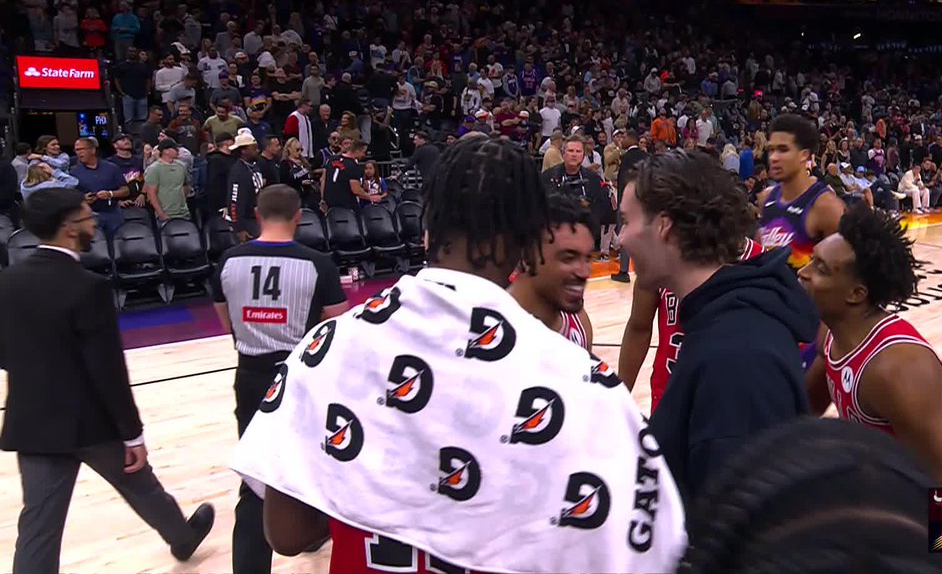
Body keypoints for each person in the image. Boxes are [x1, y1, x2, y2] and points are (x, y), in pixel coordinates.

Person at [231, 137, 686, 574]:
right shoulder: (583, 381)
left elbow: (287, 534)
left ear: (427, 226)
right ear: (527, 240)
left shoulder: (326, 347)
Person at [0, 188, 215, 573]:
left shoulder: (8, 281)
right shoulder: (88, 286)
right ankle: (182, 538)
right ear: (69, 228)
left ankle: (183, 536)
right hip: (91, 420)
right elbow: (108, 369)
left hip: (33, 419)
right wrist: (132, 434)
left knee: (38, 525)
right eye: (87, 217)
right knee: (141, 487)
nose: (94, 222)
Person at [620, 150, 817, 500]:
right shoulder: (718, 315)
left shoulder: (738, 359)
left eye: (626, 221)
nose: (620, 238)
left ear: (663, 226)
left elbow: (740, 514)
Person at [212, 185, 348, 574]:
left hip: (250, 376)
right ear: (298, 217)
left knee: (256, 478)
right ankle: (309, 530)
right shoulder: (317, 263)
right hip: (300, 377)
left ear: (257, 215)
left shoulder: (228, 261)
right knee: (314, 464)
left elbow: (226, 323)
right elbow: (339, 325)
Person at [799, 205, 942, 488]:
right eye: (811, 260)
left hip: (912, 507)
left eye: (821, 269)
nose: (803, 273)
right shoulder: (829, 333)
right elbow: (805, 413)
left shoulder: (898, 370)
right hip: (874, 490)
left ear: (856, 294)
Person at [678, 418, 942, 574]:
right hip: (840, 495)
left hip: (889, 515)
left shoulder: (898, 368)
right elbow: (799, 418)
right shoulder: (830, 345)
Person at [618, 237, 763, 413]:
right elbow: (639, 328)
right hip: (669, 397)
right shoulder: (659, 257)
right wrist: (619, 397)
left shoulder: (760, 262)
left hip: (733, 402)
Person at [508, 192, 595, 350]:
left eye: (588, 258)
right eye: (569, 258)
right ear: (527, 256)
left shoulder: (579, 323)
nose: (584, 272)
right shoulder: (488, 328)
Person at [757, 114, 844, 272]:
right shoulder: (765, 198)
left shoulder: (826, 207)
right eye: (771, 150)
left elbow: (842, 273)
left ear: (804, 154)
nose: (773, 158)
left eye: (783, 150)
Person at [71, 137, 130, 236]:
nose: (78, 153)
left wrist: (110, 194)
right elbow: (70, 196)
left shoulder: (111, 168)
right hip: (89, 215)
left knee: (118, 240)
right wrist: (83, 198)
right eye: (76, 150)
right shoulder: (73, 172)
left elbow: (125, 190)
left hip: (113, 213)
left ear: (93, 150)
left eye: (81, 149)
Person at [610, 130, 648, 283]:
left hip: (628, 204)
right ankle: (647, 269)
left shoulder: (627, 157)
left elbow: (626, 182)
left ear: (631, 139)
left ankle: (624, 271)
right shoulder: (645, 156)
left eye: (624, 137)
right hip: (643, 203)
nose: (622, 139)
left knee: (625, 236)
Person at [228, 128, 266, 241]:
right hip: (247, 221)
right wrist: (239, 228)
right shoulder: (238, 171)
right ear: (243, 150)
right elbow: (234, 201)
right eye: (253, 148)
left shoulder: (254, 165)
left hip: (259, 216)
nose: (257, 150)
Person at [321, 140, 381, 211]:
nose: (364, 155)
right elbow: (355, 190)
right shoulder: (353, 166)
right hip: (346, 206)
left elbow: (323, 180)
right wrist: (370, 197)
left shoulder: (330, 160)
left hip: (329, 204)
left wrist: (322, 199)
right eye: (363, 152)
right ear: (357, 151)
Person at [144, 139, 191, 222]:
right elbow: (151, 194)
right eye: (175, 148)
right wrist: (161, 214)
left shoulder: (181, 166)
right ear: (166, 151)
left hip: (184, 213)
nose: (178, 150)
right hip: (166, 215)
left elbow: (186, 186)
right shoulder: (154, 169)